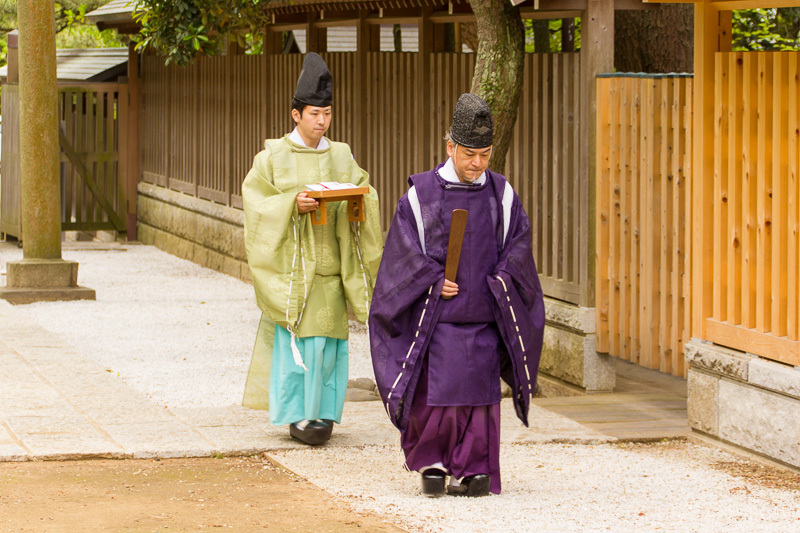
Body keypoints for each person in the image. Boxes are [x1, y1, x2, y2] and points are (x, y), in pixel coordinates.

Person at [369, 93, 544, 497]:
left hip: (483, 314)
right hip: (436, 320)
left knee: (480, 396)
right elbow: (401, 255)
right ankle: (432, 462)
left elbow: (518, 248)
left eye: (485, 154)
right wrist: (431, 279)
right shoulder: (420, 196)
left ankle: (475, 466)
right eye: (469, 154)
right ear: (450, 147)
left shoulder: (501, 195)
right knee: (436, 395)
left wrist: (501, 280)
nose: (478, 163)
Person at [241, 53, 382, 446]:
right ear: (296, 114)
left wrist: (357, 199)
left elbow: (365, 193)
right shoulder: (272, 157)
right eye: (315, 113)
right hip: (295, 269)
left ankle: (324, 414)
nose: (322, 121)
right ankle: (297, 415)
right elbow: (256, 203)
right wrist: (292, 204)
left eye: (327, 113)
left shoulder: (341, 155)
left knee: (330, 346)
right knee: (300, 345)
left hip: (332, 264)